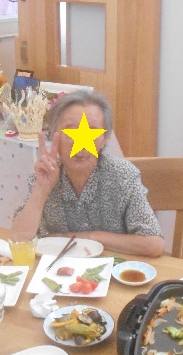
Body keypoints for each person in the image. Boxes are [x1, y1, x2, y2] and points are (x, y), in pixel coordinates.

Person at [11, 89, 165, 257]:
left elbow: (153, 244)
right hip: (60, 268)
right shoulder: (45, 173)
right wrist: (41, 189)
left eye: (91, 131)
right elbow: (19, 240)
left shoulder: (123, 176)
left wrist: (92, 237)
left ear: (105, 139)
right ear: (54, 135)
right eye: (71, 130)